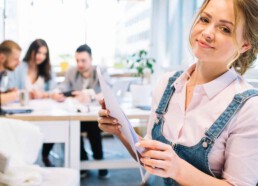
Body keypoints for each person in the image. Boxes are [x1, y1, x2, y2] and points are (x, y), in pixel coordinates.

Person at [98, 0, 258, 185]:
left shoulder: (249, 107)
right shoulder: (168, 83)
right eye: (204, 20)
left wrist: (178, 169)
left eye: (225, 29)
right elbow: (151, 159)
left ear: (245, 45)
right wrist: (121, 131)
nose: (207, 33)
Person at [52, 44, 110, 179]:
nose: (80, 64)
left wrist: (89, 96)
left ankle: (99, 161)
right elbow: (63, 86)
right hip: (78, 114)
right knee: (74, 126)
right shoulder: (72, 71)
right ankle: (82, 161)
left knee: (93, 126)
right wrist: (57, 93)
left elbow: (107, 92)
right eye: (77, 60)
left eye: (83, 60)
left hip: (95, 116)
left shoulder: (101, 71)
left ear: (91, 59)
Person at [9, 39, 58, 167]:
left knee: (54, 125)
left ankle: (45, 155)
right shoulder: (19, 66)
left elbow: (55, 90)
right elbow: (11, 87)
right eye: (38, 52)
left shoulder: (47, 69)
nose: (40, 56)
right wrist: (25, 93)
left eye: (44, 53)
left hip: (43, 110)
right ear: (31, 51)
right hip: (23, 110)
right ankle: (25, 160)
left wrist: (44, 94)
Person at [0, 40, 21, 105]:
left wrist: (6, 93)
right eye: (15, 59)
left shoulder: (3, 73)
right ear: (2, 58)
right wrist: (12, 96)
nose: (19, 63)